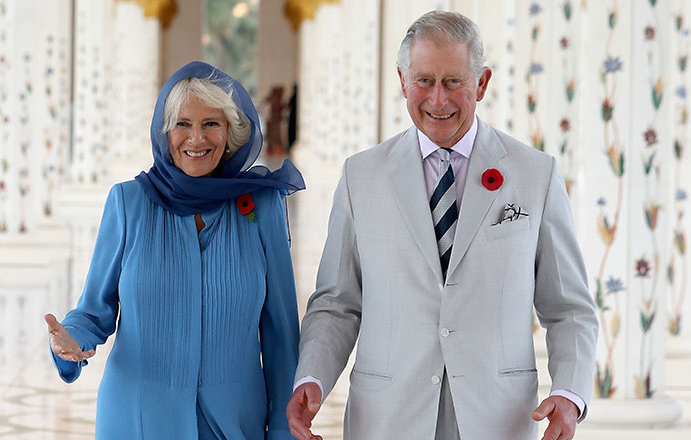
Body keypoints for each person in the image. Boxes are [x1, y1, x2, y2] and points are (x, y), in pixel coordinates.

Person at [286, 11, 598, 440]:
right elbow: (337, 303)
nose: (437, 99)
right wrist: (313, 378)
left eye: (453, 81)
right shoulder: (362, 176)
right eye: (424, 81)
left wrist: (569, 391)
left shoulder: (535, 175)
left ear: (482, 83)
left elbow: (569, 309)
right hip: (387, 417)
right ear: (402, 81)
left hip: (498, 417)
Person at [44, 61, 304, 439]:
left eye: (210, 124)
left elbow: (282, 336)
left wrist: (283, 431)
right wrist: (69, 339)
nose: (196, 138)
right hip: (137, 419)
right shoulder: (128, 203)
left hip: (233, 424)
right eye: (183, 124)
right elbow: (94, 312)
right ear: (164, 132)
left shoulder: (262, 207)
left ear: (230, 131)